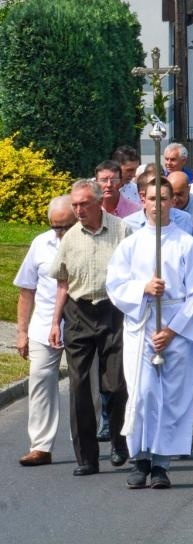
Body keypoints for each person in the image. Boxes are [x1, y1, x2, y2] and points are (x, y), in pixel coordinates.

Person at [106, 180, 193, 489]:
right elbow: (115, 284)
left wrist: (172, 330)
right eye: (152, 199)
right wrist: (143, 288)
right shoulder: (132, 243)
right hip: (142, 326)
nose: (158, 204)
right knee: (142, 393)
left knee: (172, 397)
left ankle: (162, 464)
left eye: (164, 198)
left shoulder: (186, 243)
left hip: (175, 327)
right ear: (143, 200)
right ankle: (140, 458)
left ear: (171, 202)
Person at [48, 179, 131, 476]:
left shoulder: (122, 230)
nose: (78, 209)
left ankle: (120, 440)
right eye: (75, 204)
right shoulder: (69, 238)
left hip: (113, 311)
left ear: (98, 203)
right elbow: (62, 282)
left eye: (84, 204)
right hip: (78, 312)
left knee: (116, 384)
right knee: (80, 386)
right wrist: (55, 321)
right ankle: (87, 457)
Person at [14, 195, 77, 466]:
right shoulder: (41, 243)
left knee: (87, 384)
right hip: (42, 324)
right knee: (40, 380)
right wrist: (21, 332)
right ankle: (40, 446)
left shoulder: (87, 242)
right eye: (55, 226)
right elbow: (27, 289)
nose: (60, 232)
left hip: (80, 323)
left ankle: (87, 440)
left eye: (65, 226)